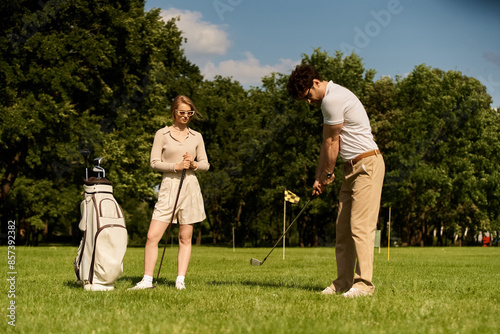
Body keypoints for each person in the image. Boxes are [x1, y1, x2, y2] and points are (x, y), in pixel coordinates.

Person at [287, 65, 385, 298]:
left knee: (360, 226)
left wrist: (328, 175)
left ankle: (364, 285)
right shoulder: (330, 99)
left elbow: (333, 143)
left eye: (307, 96)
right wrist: (319, 176)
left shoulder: (333, 98)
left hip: (367, 165)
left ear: (315, 83)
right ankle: (343, 282)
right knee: (343, 229)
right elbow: (326, 143)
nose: (309, 102)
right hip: (350, 168)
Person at [129, 95, 209, 290]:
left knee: (185, 237)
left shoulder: (196, 136)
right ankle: (147, 280)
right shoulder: (162, 134)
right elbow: (154, 162)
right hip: (169, 186)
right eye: (182, 112)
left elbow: (206, 164)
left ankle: (180, 280)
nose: (186, 116)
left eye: (189, 113)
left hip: (189, 186)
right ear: (174, 112)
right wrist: (176, 166)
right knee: (152, 236)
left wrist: (193, 164)